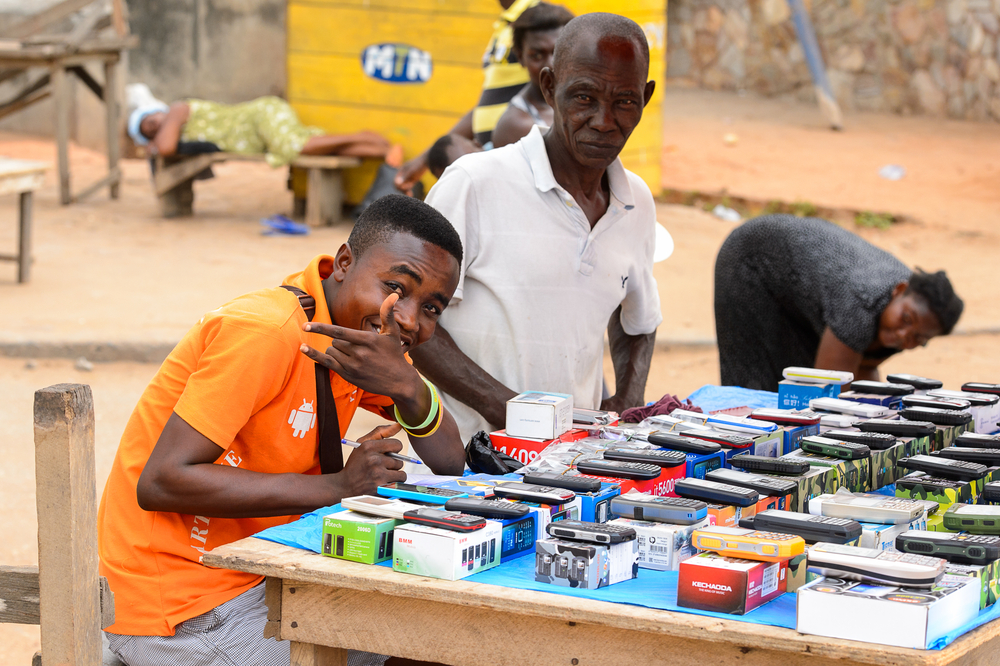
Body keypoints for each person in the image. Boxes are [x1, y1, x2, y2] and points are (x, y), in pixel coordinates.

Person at [98, 194, 466, 666]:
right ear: (344, 263)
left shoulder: (363, 340)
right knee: (425, 646)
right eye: (396, 286)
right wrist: (337, 487)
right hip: (182, 604)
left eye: (433, 308)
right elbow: (162, 480)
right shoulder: (267, 331)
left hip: (261, 570)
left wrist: (408, 385)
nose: (410, 319)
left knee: (439, 629)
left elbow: (450, 460)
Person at [411, 13, 664, 441]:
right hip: (466, 465)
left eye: (624, 101)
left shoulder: (635, 202)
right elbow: (410, 317)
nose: (604, 120)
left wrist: (627, 401)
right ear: (549, 87)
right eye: (583, 98)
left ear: (645, 97)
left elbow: (638, 320)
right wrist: (506, 409)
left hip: (569, 464)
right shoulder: (475, 183)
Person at [713, 214, 964, 390]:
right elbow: (828, 390)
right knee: (757, 388)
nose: (903, 335)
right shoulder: (861, 301)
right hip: (753, 259)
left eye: (919, 339)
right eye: (906, 320)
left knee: (798, 381)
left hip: (802, 290)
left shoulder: (901, 318)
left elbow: (860, 372)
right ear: (899, 290)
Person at [394, 0, 539, 192]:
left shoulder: (536, 18)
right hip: (492, 154)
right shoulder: (505, 23)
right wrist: (425, 158)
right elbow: (487, 105)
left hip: (519, 159)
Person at [129, 96, 397, 168]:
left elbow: (165, 147)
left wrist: (154, 143)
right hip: (262, 135)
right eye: (149, 132)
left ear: (157, 110)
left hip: (260, 116)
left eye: (151, 121)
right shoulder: (176, 129)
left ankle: (360, 135)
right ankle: (383, 152)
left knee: (295, 147)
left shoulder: (176, 109)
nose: (155, 128)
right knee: (306, 147)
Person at [492, 2, 574, 148]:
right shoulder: (517, 125)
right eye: (536, 55)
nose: (550, 64)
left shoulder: (585, 101)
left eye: (558, 52)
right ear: (520, 57)